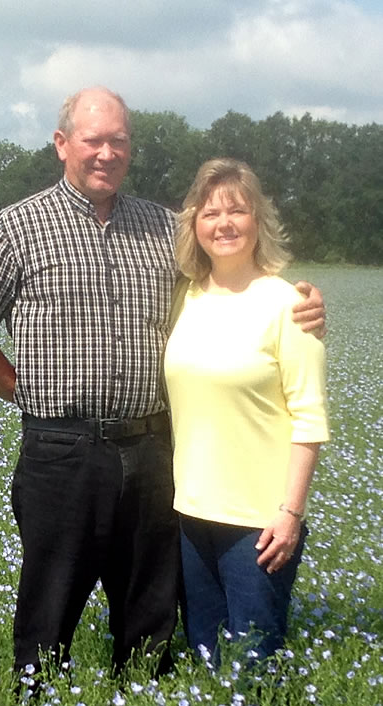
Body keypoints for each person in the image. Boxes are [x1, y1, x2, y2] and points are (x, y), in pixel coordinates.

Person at [0, 88, 326, 685]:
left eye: (118, 140)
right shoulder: (16, 226)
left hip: (152, 449)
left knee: (149, 599)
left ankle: (145, 704)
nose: (106, 152)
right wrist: (24, 389)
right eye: (93, 140)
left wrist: (300, 300)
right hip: (60, 450)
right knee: (50, 596)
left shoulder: (162, 228)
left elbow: (229, 277)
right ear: (62, 144)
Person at [164, 157, 330, 667]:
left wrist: (290, 514)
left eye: (237, 211)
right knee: (205, 656)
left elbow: (309, 417)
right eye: (211, 213)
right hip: (190, 514)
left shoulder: (288, 305)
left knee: (254, 667)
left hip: (258, 521)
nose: (224, 224)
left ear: (259, 221)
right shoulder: (184, 297)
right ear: (195, 224)